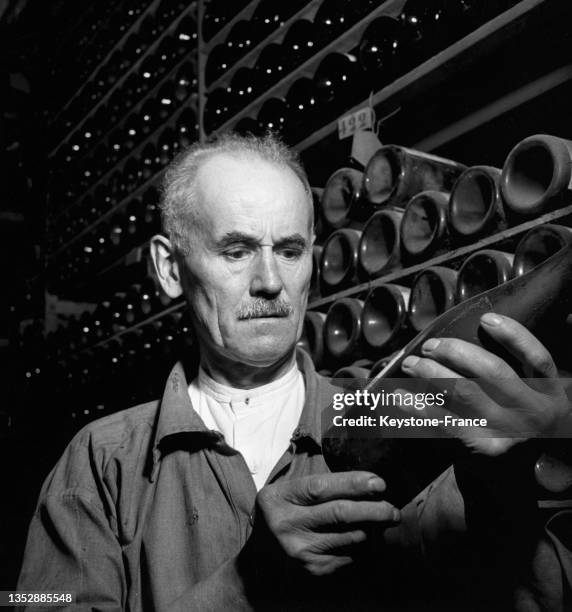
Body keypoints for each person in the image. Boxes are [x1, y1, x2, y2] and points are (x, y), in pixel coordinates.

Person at [18, 132, 572, 611]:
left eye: (288, 250)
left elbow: (525, 598)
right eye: (235, 251)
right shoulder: (97, 460)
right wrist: (247, 582)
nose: (270, 281)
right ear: (169, 268)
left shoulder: (400, 420)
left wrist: (504, 489)